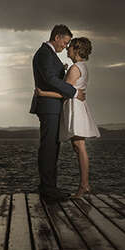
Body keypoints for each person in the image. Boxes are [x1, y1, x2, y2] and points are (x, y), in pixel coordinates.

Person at [35, 37, 100, 198]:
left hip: (74, 108)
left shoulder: (74, 69)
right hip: (77, 107)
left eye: (70, 47)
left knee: (79, 146)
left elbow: (64, 92)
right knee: (79, 146)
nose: (67, 49)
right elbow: (71, 88)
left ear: (77, 50)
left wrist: (43, 93)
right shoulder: (80, 67)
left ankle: (84, 185)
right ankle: (84, 184)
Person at [29, 25, 86, 201]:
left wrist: (61, 69)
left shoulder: (48, 54)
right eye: (65, 42)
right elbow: (50, 79)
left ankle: (49, 187)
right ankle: (48, 189)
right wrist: (74, 92)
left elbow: (51, 77)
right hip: (48, 107)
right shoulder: (45, 53)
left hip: (51, 107)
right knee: (49, 147)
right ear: (57, 37)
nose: (65, 46)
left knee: (52, 147)